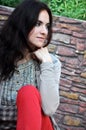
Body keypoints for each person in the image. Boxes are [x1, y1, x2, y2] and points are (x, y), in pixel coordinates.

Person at [0, 0, 61, 130]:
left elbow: (49, 109)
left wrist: (46, 64)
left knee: (28, 93)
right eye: (38, 24)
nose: (45, 32)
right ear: (22, 23)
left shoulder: (52, 63)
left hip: (40, 126)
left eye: (47, 26)